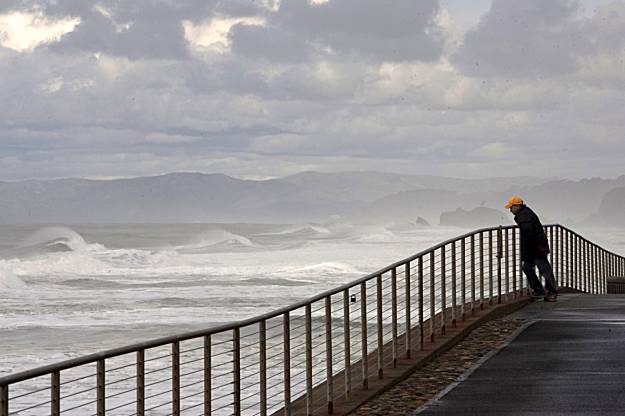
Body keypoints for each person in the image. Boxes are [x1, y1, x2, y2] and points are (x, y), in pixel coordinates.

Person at [505, 196, 558, 302]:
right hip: (536, 246)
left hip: (536, 247)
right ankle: (539, 290)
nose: (510, 210)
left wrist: (527, 253)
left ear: (517, 206)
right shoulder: (525, 213)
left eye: (511, 207)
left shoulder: (523, 216)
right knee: (528, 268)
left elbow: (528, 234)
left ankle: (551, 292)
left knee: (543, 269)